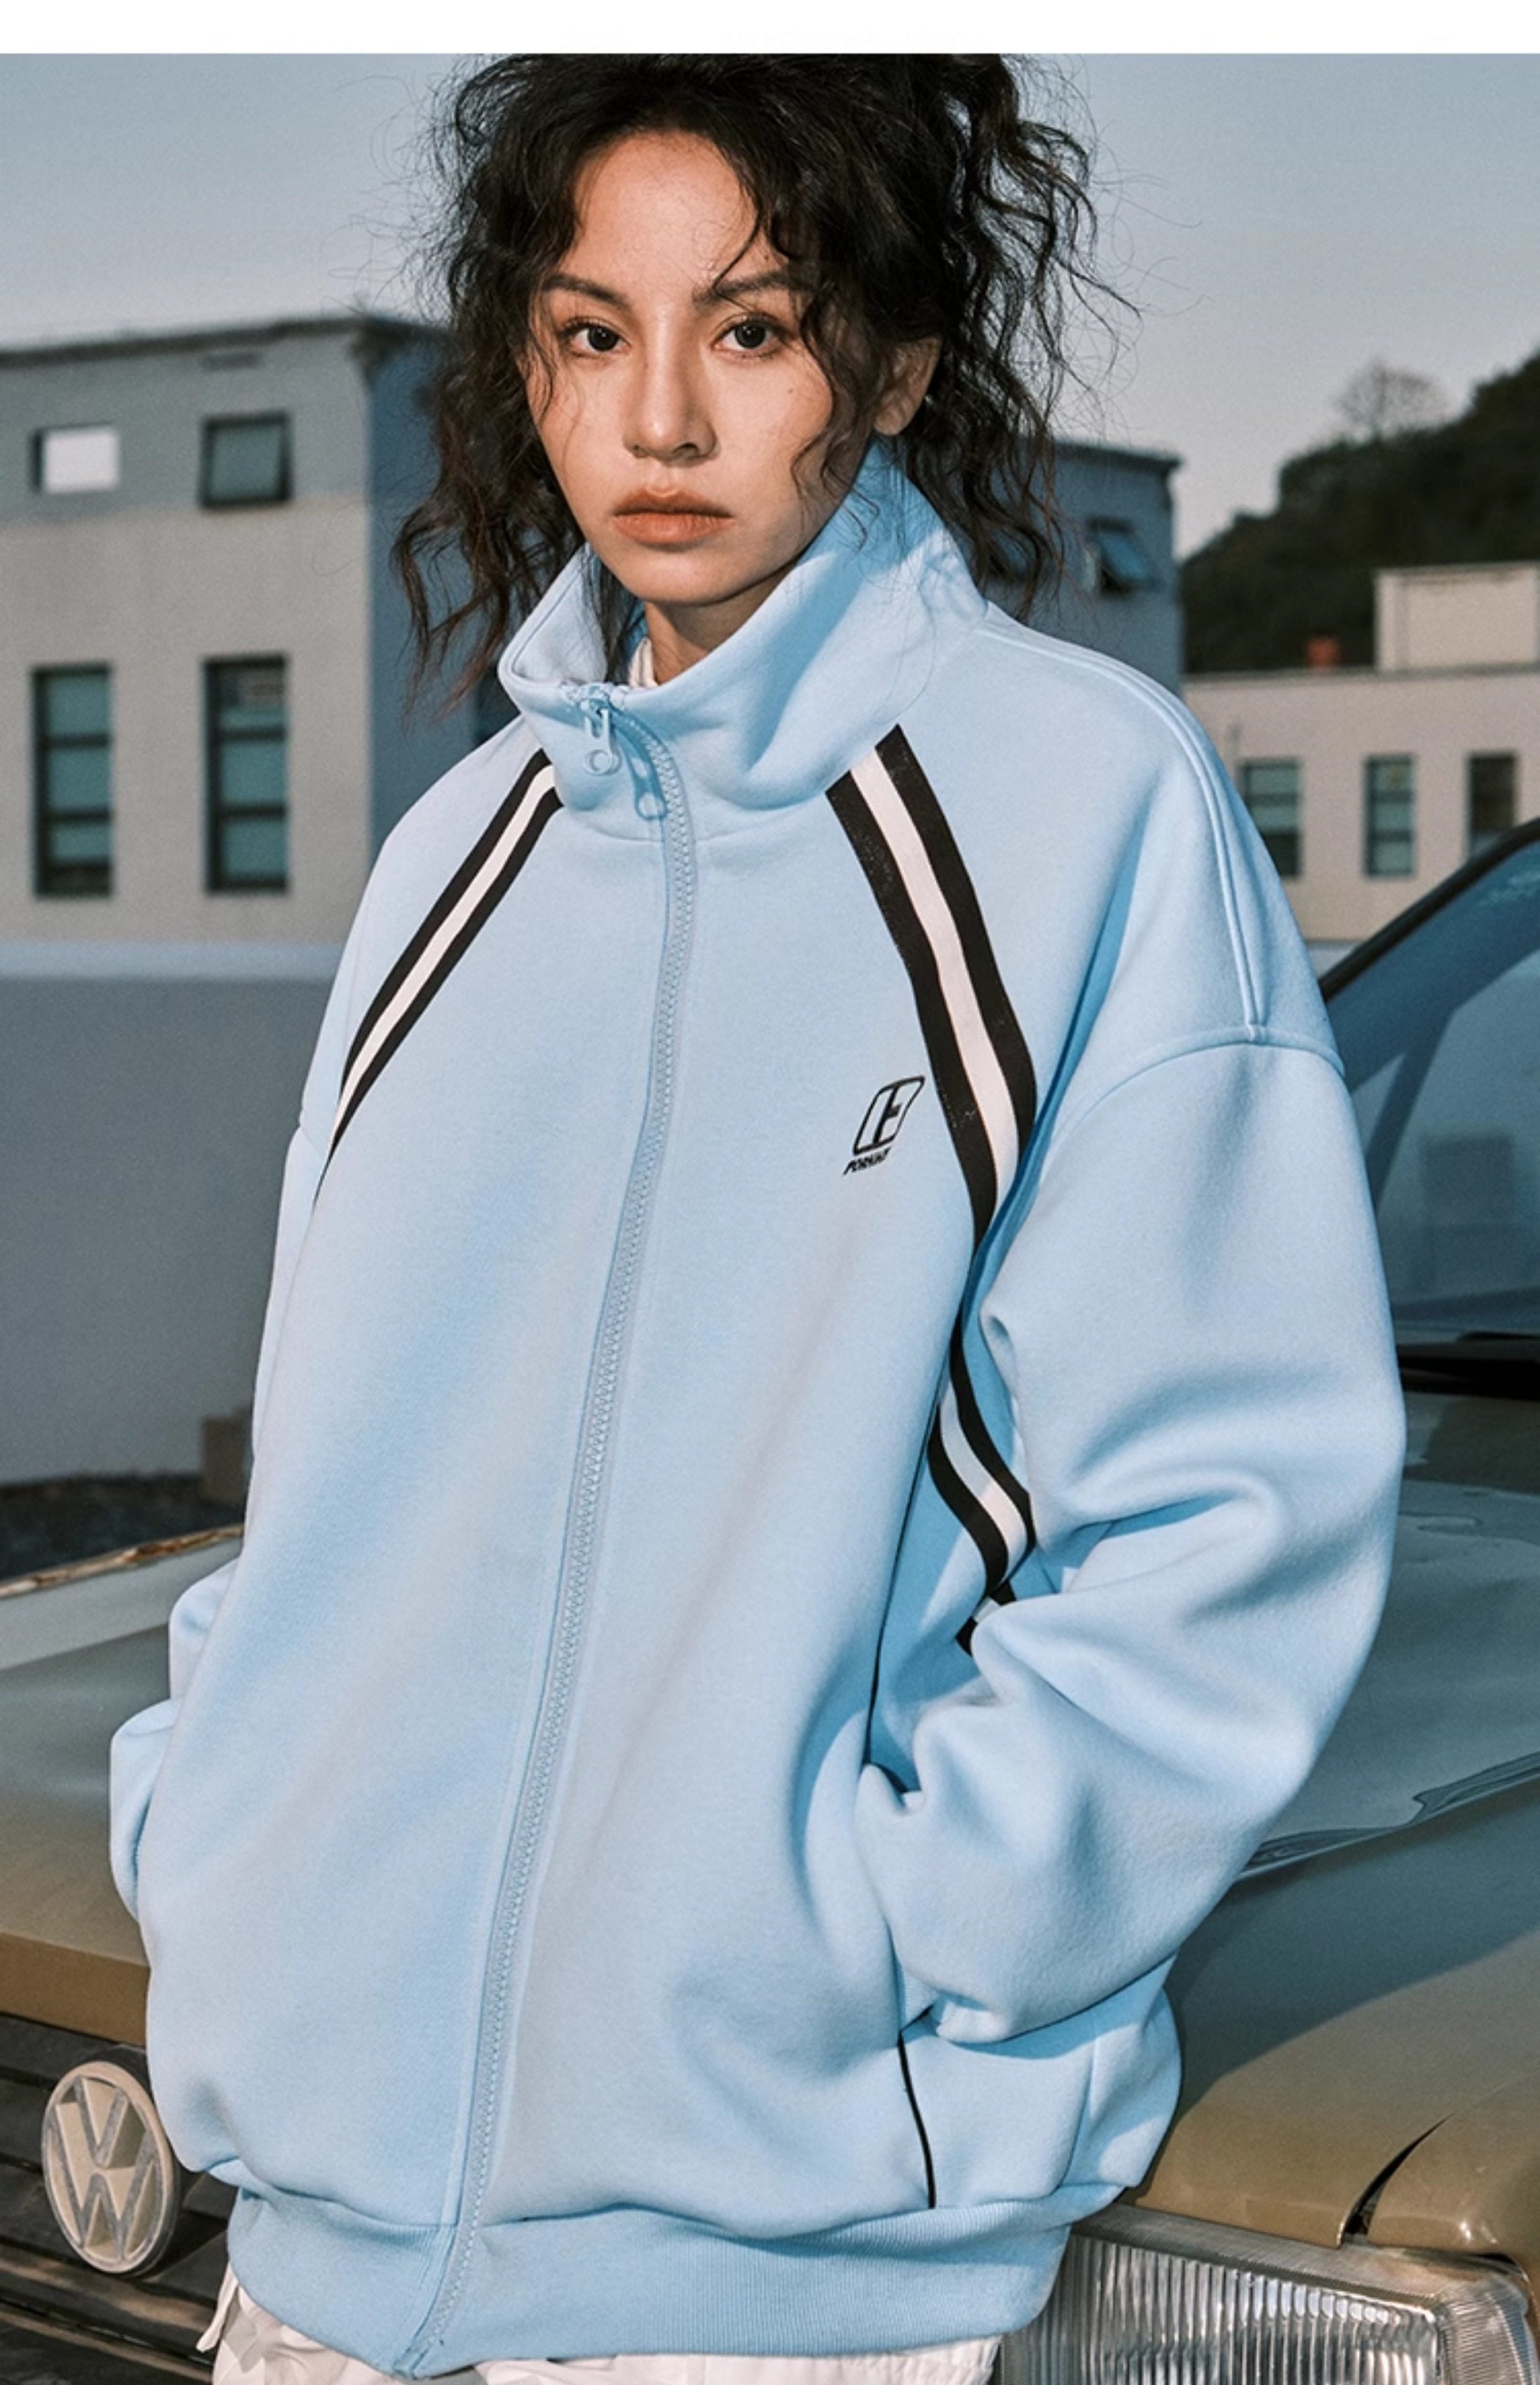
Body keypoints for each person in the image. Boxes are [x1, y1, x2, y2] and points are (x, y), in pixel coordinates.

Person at [108, 52, 1405, 2385]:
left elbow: (1229, 1510)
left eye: (757, 327)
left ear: (893, 368)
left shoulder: (1078, 805)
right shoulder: (454, 863)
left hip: (779, 2286)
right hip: (308, 2270)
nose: (663, 422)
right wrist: (216, 1851)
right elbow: (323, 1482)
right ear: (525, 370)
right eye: (592, 334)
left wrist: (895, 1938)